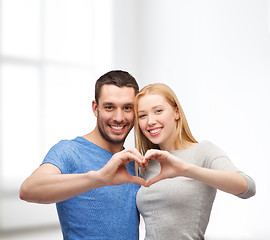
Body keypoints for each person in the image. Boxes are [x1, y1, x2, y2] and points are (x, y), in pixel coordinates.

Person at [20, 70, 147, 240]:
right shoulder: (70, 151)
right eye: (109, 107)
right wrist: (100, 178)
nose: (119, 117)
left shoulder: (133, 162)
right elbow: (28, 190)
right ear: (96, 108)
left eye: (127, 108)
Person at [134, 83, 256, 240]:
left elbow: (248, 187)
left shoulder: (203, 151)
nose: (150, 121)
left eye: (158, 111)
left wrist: (184, 169)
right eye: (142, 115)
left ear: (176, 112)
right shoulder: (146, 163)